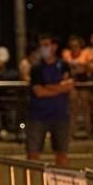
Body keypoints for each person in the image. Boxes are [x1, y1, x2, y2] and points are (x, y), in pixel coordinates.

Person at [25, 33, 73, 166]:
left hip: (60, 114)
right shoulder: (36, 68)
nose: (43, 48)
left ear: (54, 46)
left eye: (46, 45)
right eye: (41, 46)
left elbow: (69, 86)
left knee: (61, 152)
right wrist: (58, 88)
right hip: (38, 115)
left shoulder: (63, 65)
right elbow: (38, 92)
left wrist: (48, 87)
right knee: (33, 153)